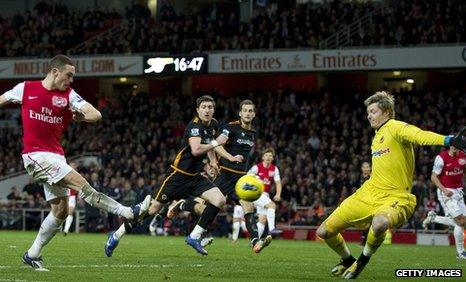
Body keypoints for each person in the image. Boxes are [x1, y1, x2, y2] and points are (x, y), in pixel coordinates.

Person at [0, 55, 151, 271]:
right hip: (36, 155)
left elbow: (95, 114)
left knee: (61, 211)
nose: (71, 80)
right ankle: (128, 212)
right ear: (55, 72)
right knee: (83, 185)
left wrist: (82, 116)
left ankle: (32, 254)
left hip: (56, 156)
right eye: (69, 75)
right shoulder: (26, 88)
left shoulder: (68, 95)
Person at [315, 91, 466, 279]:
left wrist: (448, 139)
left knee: (380, 224)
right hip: (368, 193)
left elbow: (419, 135)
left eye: (373, 111)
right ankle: (347, 260)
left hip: (396, 197)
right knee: (324, 231)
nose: (368, 115)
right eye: (368, 112)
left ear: (386, 112)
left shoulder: (395, 127)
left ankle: (361, 262)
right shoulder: (376, 137)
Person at [105, 95, 229, 256]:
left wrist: (213, 161)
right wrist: (217, 142)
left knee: (220, 200)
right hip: (178, 177)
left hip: (195, 177)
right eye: (204, 107)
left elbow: (209, 142)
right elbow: (196, 150)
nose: (207, 110)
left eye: (210, 107)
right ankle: (116, 235)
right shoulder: (194, 126)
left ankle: (194, 236)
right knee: (151, 210)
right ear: (197, 110)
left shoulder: (213, 124)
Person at [168, 100, 272, 253]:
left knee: (248, 206)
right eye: (245, 110)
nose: (248, 113)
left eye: (251, 111)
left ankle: (255, 240)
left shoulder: (253, 133)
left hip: (240, 178)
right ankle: (183, 205)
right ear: (240, 113)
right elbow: (217, 145)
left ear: (254, 114)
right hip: (224, 174)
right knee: (206, 207)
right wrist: (228, 158)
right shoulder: (230, 127)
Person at [422, 146, 466, 259]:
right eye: (453, 145)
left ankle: (434, 218)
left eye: (458, 145)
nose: (455, 147)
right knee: (460, 221)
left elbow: (463, 171)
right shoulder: (441, 157)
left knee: (463, 222)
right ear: (450, 145)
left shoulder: (463, 156)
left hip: (459, 191)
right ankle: (460, 252)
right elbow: (433, 176)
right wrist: (444, 190)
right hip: (446, 192)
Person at [248, 148, 283, 237]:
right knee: (272, 205)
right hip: (256, 194)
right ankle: (272, 229)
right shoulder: (256, 168)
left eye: (270, 156)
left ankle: (256, 241)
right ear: (263, 157)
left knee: (262, 219)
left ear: (273, 158)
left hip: (265, 195)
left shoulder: (274, 169)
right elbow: (246, 179)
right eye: (266, 155)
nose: (268, 157)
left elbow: (278, 183)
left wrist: (278, 194)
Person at [358, 161, 372, 245]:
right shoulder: (362, 178)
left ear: (370, 168)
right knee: (365, 223)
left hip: (371, 202)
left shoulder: (372, 177)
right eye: (364, 167)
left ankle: (365, 241)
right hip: (364, 202)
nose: (366, 168)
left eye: (367, 167)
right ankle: (365, 240)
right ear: (361, 169)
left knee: (368, 223)